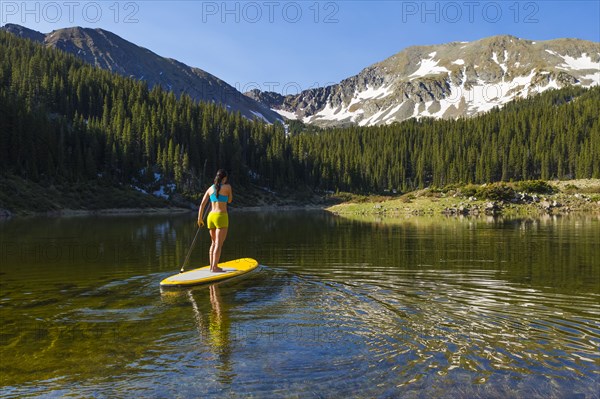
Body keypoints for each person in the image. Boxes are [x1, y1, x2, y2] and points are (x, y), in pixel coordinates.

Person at [198, 169, 233, 272]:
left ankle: (211, 266)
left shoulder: (210, 189)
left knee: (213, 243)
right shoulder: (227, 187)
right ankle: (215, 267)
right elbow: (230, 200)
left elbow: (202, 205)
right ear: (225, 178)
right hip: (221, 216)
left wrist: (200, 218)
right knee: (218, 243)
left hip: (210, 217)